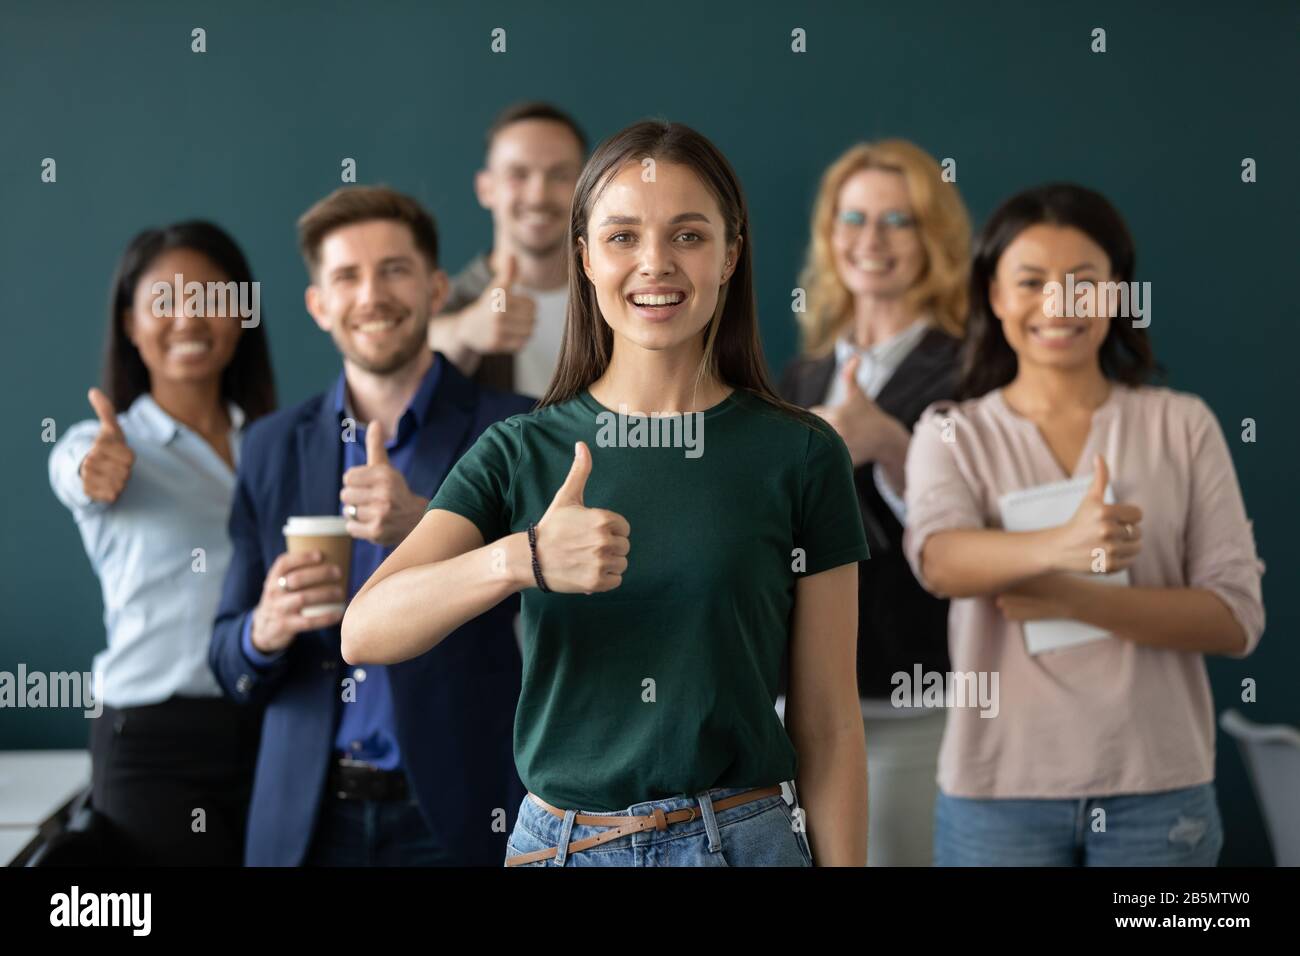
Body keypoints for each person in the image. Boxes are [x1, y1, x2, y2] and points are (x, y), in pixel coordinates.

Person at [343, 120, 871, 867]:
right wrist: (519, 558)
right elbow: (364, 630)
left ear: (730, 254)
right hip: (560, 847)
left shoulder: (802, 453)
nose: (655, 264)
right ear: (586, 257)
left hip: (744, 841)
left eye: (688, 235)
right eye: (623, 237)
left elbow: (828, 724)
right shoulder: (517, 451)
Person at [903, 183, 1266, 866]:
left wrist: (1078, 597)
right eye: (1031, 281)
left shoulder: (1182, 425)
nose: (1059, 305)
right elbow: (941, 561)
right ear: (994, 295)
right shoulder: (952, 432)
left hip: (1159, 789)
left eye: (1084, 282)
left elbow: (1235, 617)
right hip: (998, 794)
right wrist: (1065, 544)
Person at [209, 186, 532, 866]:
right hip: (305, 820)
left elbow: (560, 599)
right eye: (346, 277)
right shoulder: (270, 446)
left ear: (437, 287)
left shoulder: (515, 428)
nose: (371, 295)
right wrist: (263, 628)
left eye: (394, 270)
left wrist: (427, 528)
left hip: (461, 810)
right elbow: (226, 655)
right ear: (319, 305)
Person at [49, 221, 275, 865]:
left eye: (211, 298)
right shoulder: (106, 446)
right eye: (165, 301)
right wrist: (93, 469)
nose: (190, 318)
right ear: (128, 322)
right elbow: (73, 473)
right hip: (154, 741)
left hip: (273, 726)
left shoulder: (277, 442)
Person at [779, 139, 970, 866]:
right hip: (793, 702)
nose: (872, 239)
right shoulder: (803, 372)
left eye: (899, 220)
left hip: (910, 695)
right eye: (853, 217)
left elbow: (984, 535)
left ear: (935, 237)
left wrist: (889, 443)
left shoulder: (974, 363)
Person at [427, 101, 586, 397]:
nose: (539, 195)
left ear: (586, 188)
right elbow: (405, 355)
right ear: (486, 189)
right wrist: (465, 330)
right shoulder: (452, 302)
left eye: (560, 175)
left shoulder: (613, 294)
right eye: (519, 174)